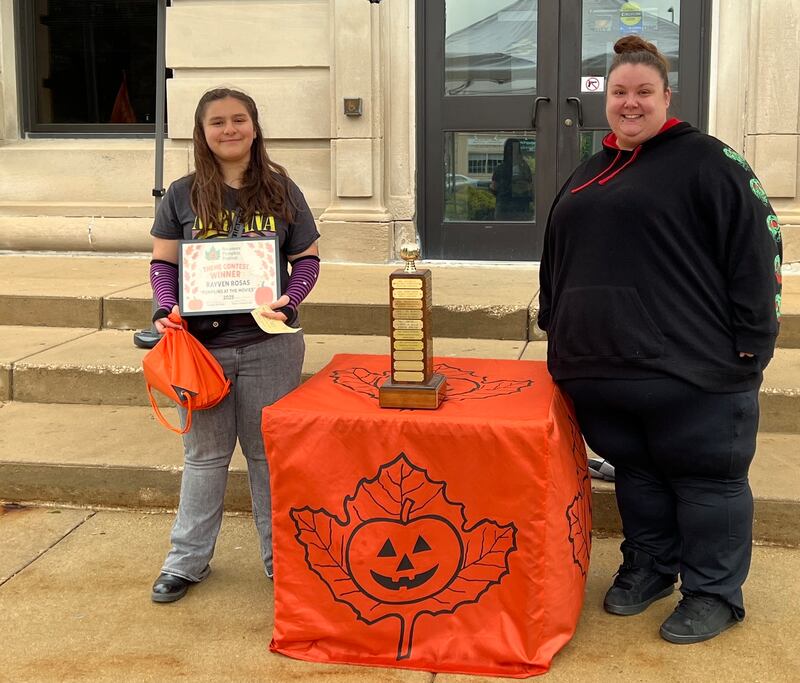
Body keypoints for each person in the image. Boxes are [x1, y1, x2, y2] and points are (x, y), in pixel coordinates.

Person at [538, 37, 781, 644]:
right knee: (639, 476)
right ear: (606, 100)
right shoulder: (588, 171)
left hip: (694, 367)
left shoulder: (710, 161)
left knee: (707, 482)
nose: (630, 102)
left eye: (643, 91)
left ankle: (714, 593)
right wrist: (554, 323)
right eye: (619, 92)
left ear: (666, 97)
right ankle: (649, 569)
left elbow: (759, 249)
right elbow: (556, 256)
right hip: (598, 366)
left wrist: (754, 337)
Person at [148, 88, 320, 603]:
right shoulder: (180, 194)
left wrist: (289, 303)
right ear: (202, 133)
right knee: (204, 456)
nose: (229, 129)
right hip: (202, 351)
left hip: (270, 346)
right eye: (217, 122)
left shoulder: (281, 190)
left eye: (238, 119)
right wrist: (165, 308)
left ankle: (281, 560)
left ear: (254, 126)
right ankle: (186, 561)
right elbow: (164, 264)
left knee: (269, 456)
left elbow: (307, 259)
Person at [490, 138, 534, 220]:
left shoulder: (500, 168)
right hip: (522, 210)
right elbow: (530, 187)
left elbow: (493, 188)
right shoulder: (524, 168)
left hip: (503, 210)